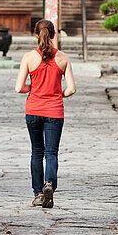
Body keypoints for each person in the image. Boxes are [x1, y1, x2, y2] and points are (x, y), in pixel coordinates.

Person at [14, 18, 76, 208]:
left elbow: (18, 88)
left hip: (33, 109)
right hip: (55, 111)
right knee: (51, 153)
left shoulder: (28, 57)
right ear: (54, 35)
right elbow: (71, 89)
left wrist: (33, 89)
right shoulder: (63, 58)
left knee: (36, 152)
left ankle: (38, 193)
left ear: (35, 35)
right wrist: (58, 93)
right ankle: (49, 183)